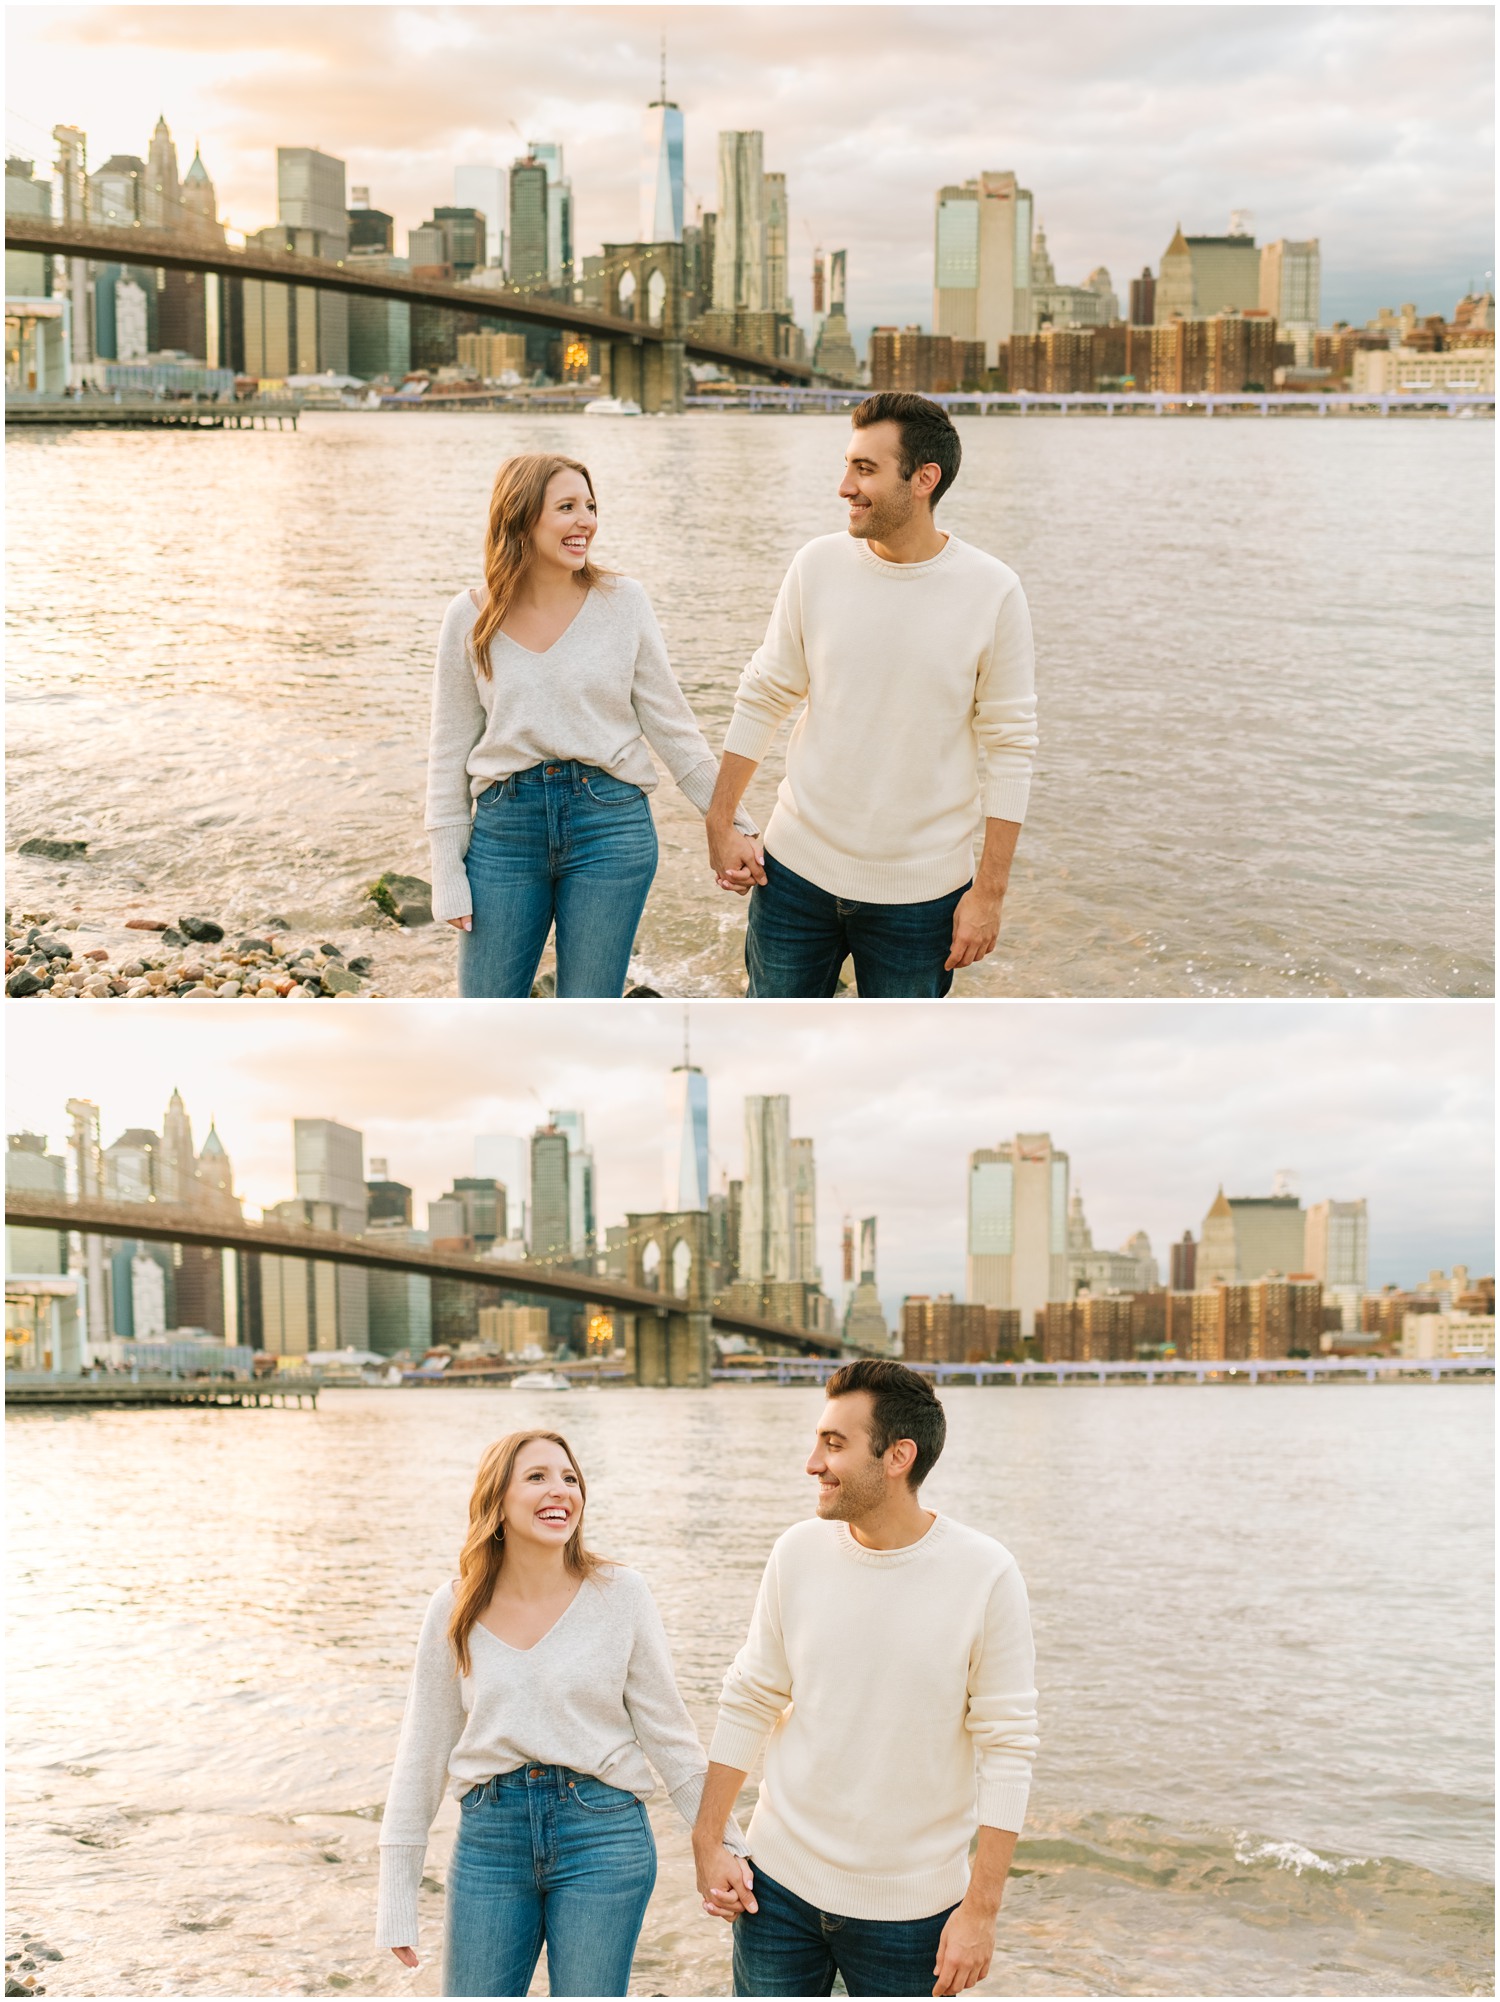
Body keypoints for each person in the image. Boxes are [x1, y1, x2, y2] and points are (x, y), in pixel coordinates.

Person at [691, 1359, 1039, 1998]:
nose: (812, 1463)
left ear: (898, 1456)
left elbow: (1007, 1749)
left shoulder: (986, 1575)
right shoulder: (796, 1552)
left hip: (912, 1917)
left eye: (834, 1444)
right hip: (777, 1892)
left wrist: (981, 1911)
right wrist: (709, 1839)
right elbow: (750, 1696)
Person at [375, 1430, 743, 1996]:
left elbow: (672, 1738)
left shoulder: (621, 1594)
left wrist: (725, 1845)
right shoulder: (453, 1607)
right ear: (497, 1502)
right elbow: (421, 1753)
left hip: (603, 1835)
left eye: (570, 1478)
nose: (562, 1491)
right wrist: (397, 1894)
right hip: (490, 1840)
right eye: (538, 1477)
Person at [705, 392, 1038, 998]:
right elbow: (764, 695)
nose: (844, 487)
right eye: (848, 465)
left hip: (922, 902)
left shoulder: (993, 592)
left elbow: (1011, 749)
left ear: (923, 479)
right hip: (794, 878)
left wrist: (987, 893)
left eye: (865, 469)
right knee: (773, 1061)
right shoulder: (817, 565)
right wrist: (720, 821)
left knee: (896, 1074)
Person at [426, 452, 757, 997]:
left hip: (610, 826)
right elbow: (447, 752)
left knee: (588, 1019)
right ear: (521, 517)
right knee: (484, 1014)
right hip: (504, 832)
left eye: (591, 506)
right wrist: (446, 871)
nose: (587, 521)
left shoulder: (623, 603)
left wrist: (732, 823)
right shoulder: (469, 617)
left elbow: (672, 727)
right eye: (567, 507)